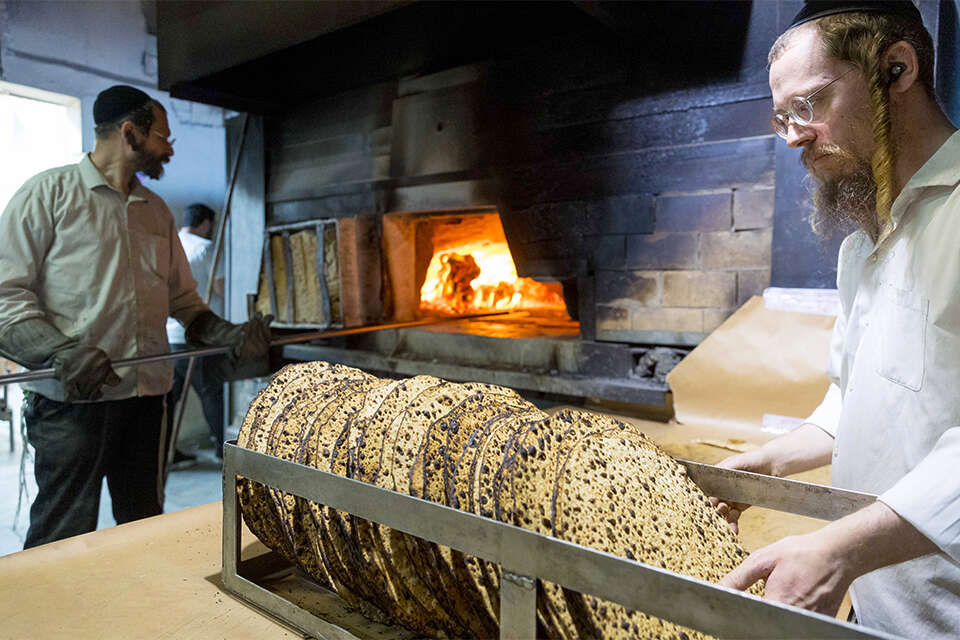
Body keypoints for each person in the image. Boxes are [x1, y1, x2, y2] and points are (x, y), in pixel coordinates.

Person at [712, 2, 960, 637]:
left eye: (809, 105)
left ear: (896, 69)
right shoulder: (862, 247)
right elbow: (853, 401)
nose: (793, 137)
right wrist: (766, 466)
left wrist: (843, 548)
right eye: (783, 118)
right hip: (880, 609)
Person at [0, 85, 271, 548]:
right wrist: (60, 351)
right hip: (72, 405)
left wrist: (230, 334)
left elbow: (184, 302)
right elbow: (6, 298)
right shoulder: (46, 195)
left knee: (144, 526)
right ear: (130, 133)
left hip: (146, 399)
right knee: (62, 535)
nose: (169, 149)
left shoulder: (156, 211)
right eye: (163, 137)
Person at [165, 203, 227, 461]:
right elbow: (222, 289)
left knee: (170, 398)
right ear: (206, 223)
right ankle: (224, 450)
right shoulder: (207, 248)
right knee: (212, 392)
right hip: (201, 333)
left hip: (171, 335)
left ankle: (165, 452)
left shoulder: (170, 245)